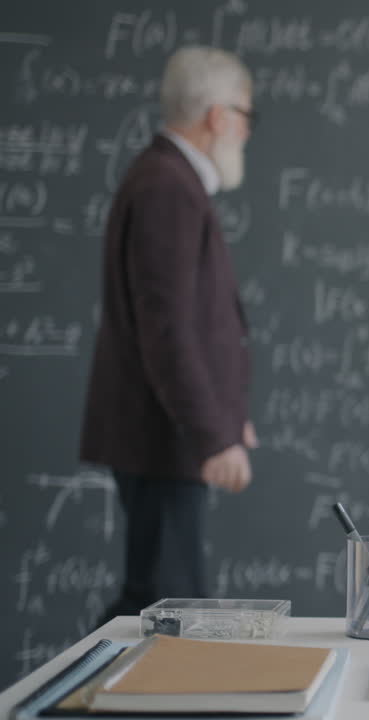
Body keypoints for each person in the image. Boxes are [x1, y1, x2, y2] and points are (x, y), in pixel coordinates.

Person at [81, 46, 257, 625]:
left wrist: (227, 415)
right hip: (162, 442)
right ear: (217, 116)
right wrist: (212, 436)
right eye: (246, 116)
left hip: (166, 439)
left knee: (157, 607)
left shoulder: (170, 180)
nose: (247, 133)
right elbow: (167, 330)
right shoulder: (167, 186)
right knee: (164, 613)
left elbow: (182, 324)